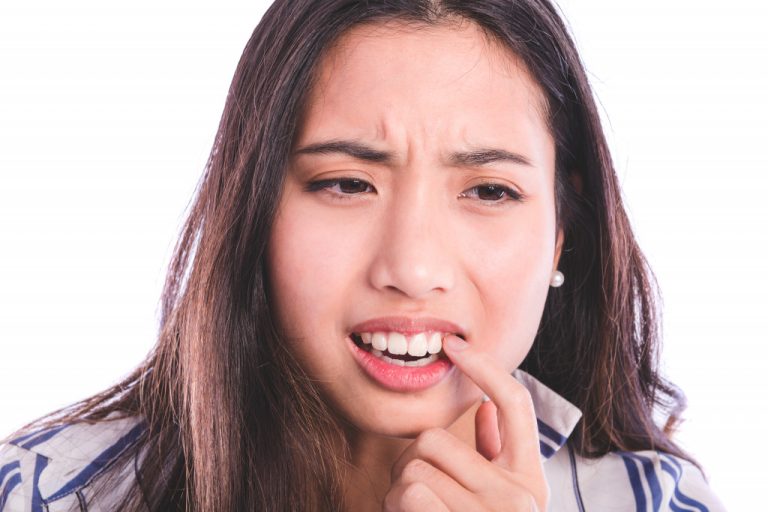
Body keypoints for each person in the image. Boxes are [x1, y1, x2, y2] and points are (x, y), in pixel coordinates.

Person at [0, 0, 727, 510]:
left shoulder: (659, 503)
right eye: (347, 184)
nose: (411, 269)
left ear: (563, 229)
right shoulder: (47, 493)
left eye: (489, 191)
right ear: (255, 210)